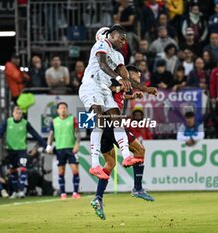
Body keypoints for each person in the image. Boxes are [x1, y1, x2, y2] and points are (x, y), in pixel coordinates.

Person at [78, 25, 151, 179]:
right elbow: (103, 64)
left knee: (117, 119)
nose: (123, 42)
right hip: (91, 86)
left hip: (103, 90)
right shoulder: (101, 45)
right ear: (108, 35)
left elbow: (124, 72)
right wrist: (119, 79)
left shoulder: (118, 56)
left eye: (124, 40)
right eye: (121, 38)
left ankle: (126, 155)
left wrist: (134, 83)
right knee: (99, 121)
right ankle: (94, 165)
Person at [91, 65, 156, 220]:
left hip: (104, 126)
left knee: (110, 164)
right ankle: (138, 188)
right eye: (138, 76)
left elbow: (115, 95)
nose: (139, 79)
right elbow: (107, 89)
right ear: (130, 73)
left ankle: (98, 198)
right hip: (112, 124)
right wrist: (119, 88)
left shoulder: (122, 85)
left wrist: (130, 97)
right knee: (140, 151)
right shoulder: (116, 80)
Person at [0, 106, 47, 198]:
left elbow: (35, 134)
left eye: (20, 114)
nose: (19, 115)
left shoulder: (25, 123)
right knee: (12, 171)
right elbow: (1, 130)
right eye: (17, 113)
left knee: (23, 168)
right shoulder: (8, 122)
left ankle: (22, 190)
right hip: (10, 150)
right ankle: (15, 191)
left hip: (21, 150)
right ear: (13, 113)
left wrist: (45, 145)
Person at [46, 102, 81, 200]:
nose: (63, 109)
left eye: (64, 107)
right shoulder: (54, 121)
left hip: (71, 148)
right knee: (61, 171)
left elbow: (77, 133)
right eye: (61, 108)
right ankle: (63, 194)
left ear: (67, 109)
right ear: (57, 110)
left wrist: (77, 144)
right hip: (59, 149)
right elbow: (51, 134)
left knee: (75, 170)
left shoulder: (72, 119)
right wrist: (49, 145)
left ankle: (75, 193)